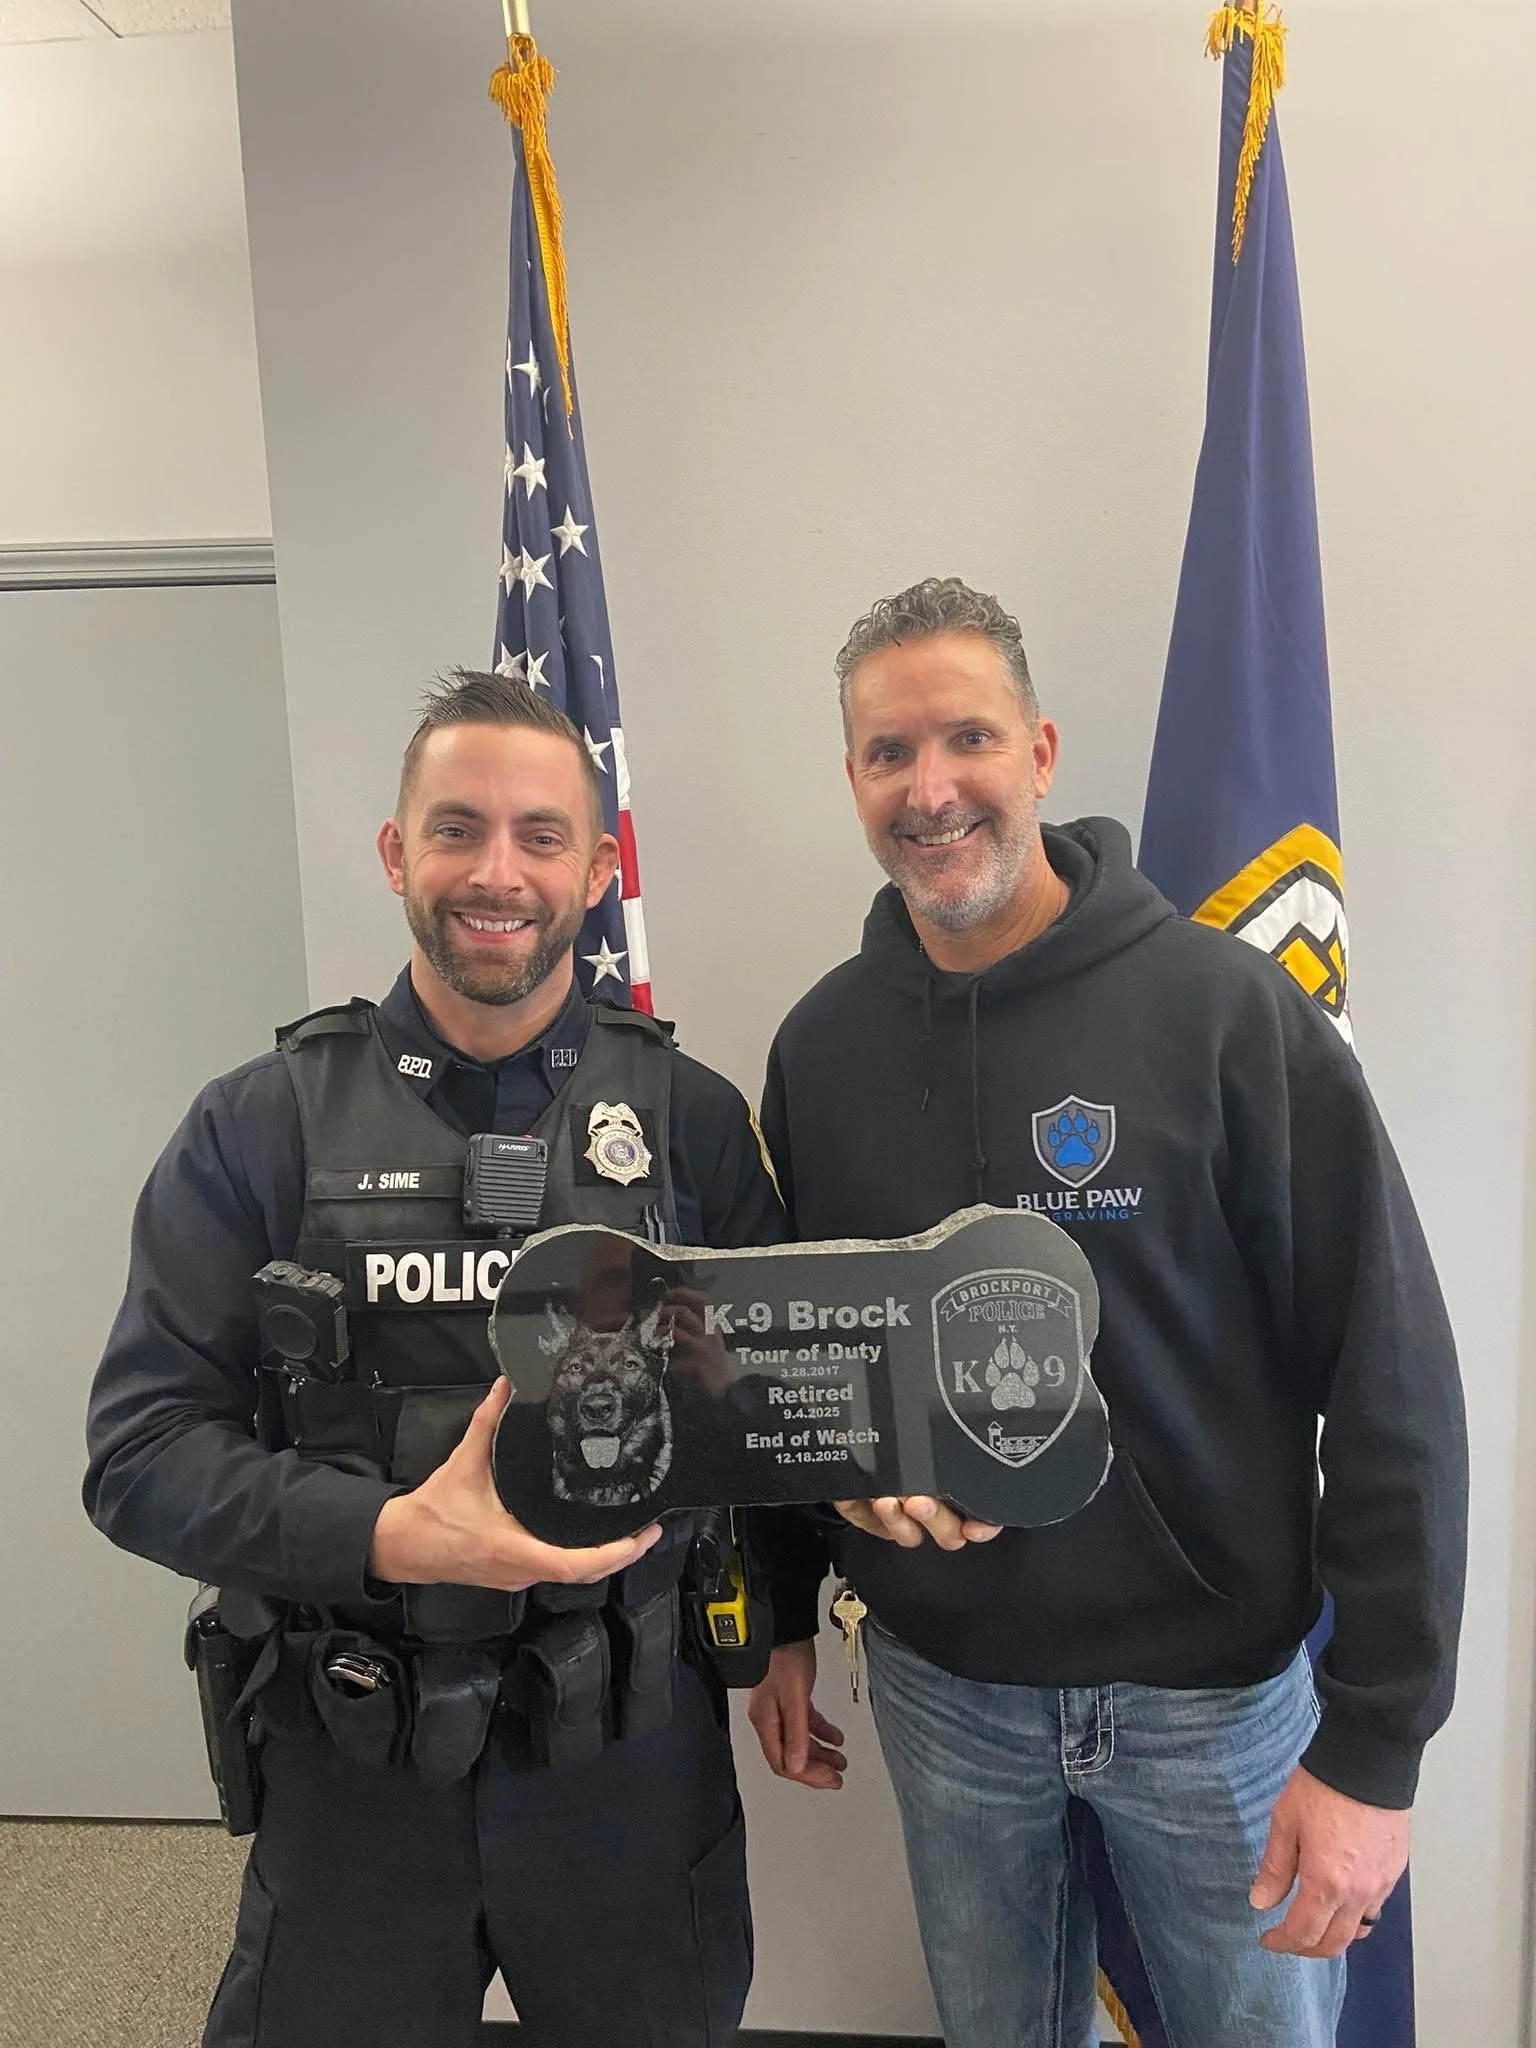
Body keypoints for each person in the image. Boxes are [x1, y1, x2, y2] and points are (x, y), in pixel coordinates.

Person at [746, 578, 1467, 2048]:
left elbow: (1390, 1373)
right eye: (891, 753)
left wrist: (1378, 1744)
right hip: (949, 1696)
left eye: (969, 738)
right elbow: (798, 1365)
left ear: (1043, 750)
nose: (932, 788)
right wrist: (785, 1598)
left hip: (1216, 1705)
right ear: (852, 779)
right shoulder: (820, 1049)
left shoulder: (1223, 1013)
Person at [84, 670, 783, 2048]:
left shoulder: (691, 1124)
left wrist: (826, 1584)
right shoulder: (256, 1128)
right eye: (456, 829)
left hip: (628, 1763)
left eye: (539, 836)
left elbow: (771, 1413)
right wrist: (396, 1534)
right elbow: (139, 1458)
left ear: (596, 869)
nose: (497, 872)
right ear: (399, 853)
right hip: (357, 1770)